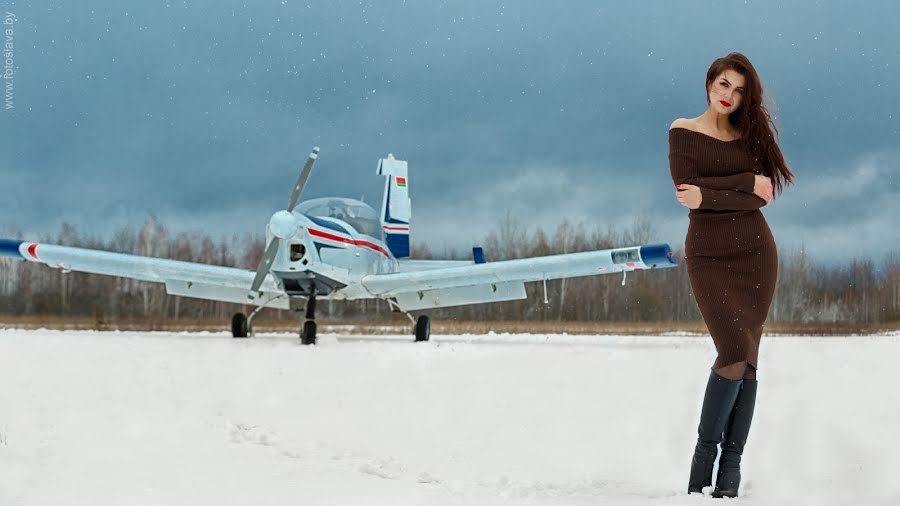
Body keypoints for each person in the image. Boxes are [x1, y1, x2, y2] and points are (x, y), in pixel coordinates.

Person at [668, 52, 794, 498]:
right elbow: (687, 194)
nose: (730, 96)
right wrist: (742, 185)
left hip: (756, 255)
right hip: (708, 257)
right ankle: (703, 468)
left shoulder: (749, 137)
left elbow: (761, 199)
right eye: (724, 85)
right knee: (733, 349)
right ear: (709, 83)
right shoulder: (682, 131)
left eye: (739, 90)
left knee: (749, 360)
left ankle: (728, 476)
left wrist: (715, 192)